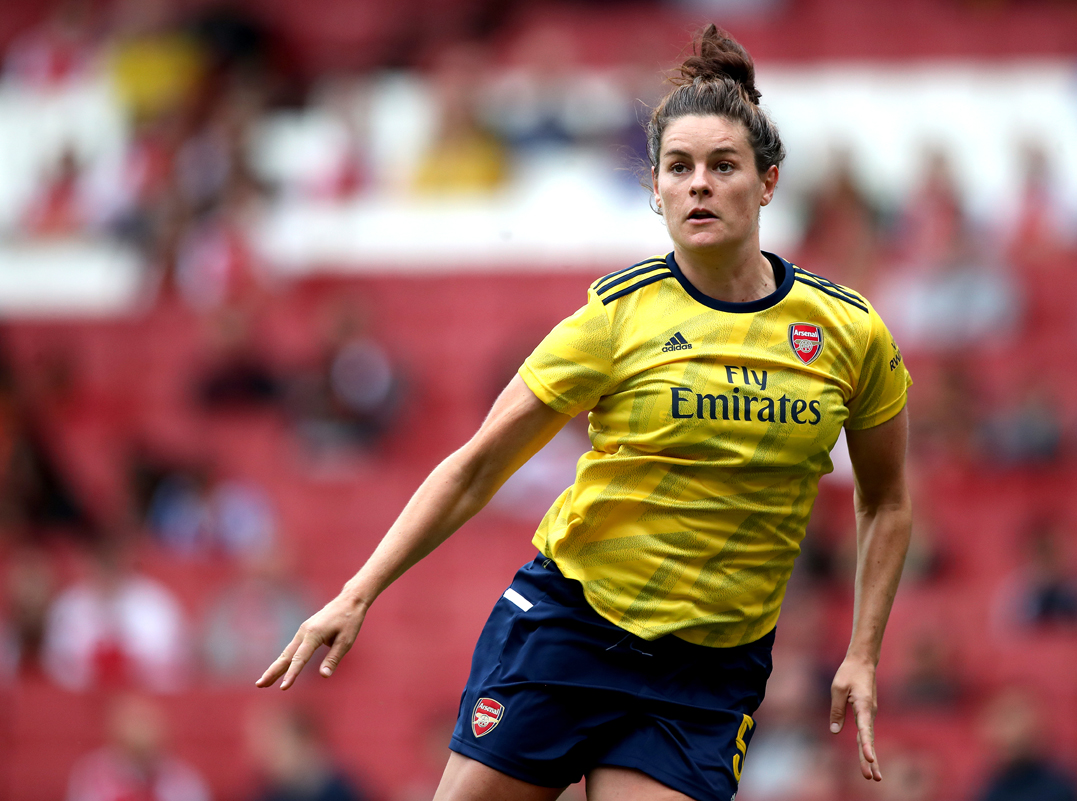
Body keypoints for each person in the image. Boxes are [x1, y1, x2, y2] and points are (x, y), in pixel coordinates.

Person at [257, 25, 912, 801]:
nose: (699, 183)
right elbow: (476, 466)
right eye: (679, 167)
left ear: (767, 183)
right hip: (572, 627)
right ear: (657, 189)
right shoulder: (614, 316)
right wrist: (358, 590)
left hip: (705, 672)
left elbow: (888, 500)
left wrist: (862, 652)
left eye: (723, 165)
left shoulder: (849, 331)